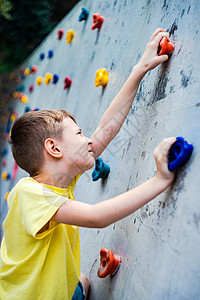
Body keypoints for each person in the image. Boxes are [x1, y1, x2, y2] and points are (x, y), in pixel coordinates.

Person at [0, 29, 175, 300]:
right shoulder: (28, 193)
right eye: (79, 134)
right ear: (54, 149)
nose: (87, 138)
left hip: (62, 289)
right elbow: (96, 217)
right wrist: (160, 180)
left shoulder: (59, 178)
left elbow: (105, 130)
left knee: (81, 281)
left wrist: (140, 69)